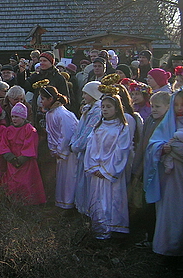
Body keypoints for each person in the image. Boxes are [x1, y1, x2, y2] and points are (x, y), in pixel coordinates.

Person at [144, 88, 183, 262]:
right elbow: (152, 145)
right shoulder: (168, 123)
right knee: (168, 212)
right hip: (169, 178)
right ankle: (166, 248)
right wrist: (162, 149)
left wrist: (179, 150)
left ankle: (182, 248)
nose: (180, 109)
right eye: (176, 104)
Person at [84, 94, 133, 239]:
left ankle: (114, 231)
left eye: (109, 107)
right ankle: (99, 230)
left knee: (112, 200)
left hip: (111, 173)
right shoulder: (98, 126)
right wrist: (94, 167)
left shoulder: (122, 128)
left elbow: (121, 150)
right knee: (97, 200)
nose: (105, 109)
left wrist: (107, 170)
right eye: (103, 106)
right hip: (96, 170)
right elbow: (90, 146)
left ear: (117, 109)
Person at [129, 91, 170, 248]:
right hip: (147, 166)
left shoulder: (168, 123)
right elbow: (142, 147)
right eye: (152, 106)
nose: (153, 109)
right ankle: (149, 235)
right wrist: (137, 169)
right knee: (148, 204)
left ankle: (159, 237)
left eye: (158, 107)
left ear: (168, 107)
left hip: (162, 169)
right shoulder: (150, 120)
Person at [0, 102, 46, 205]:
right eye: (13, 116)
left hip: (26, 163)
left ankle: (28, 205)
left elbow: (30, 145)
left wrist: (21, 159)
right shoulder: (8, 130)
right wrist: (10, 157)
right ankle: (13, 204)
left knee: (26, 184)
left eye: (17, 117)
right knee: (12, 185)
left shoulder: (30, 129)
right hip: (11, 162)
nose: (14, 119)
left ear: (23, 117)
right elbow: (3, 145)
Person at [40, 85, 78, 210]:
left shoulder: (62, 114)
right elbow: (50, 133)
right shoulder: (50, 113)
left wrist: (60, 150)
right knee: (62, 179)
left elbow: (67, 135)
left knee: (69, 179)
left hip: (68, 153)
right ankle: (61, 203)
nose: (41, 102)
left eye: (43, 99)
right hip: (59, 153)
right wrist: (53, 149)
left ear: (50, 99)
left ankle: (69, 204)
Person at [69, 81, 102, 215]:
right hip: (82, 151)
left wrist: (76, 146)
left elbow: (88, 131)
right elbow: (79, 130)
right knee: (81, 183)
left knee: (87, 184)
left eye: (85, 93)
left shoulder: (97, 111)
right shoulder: (89, 108)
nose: (83, 96)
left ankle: (87, 211)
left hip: (88, 151)